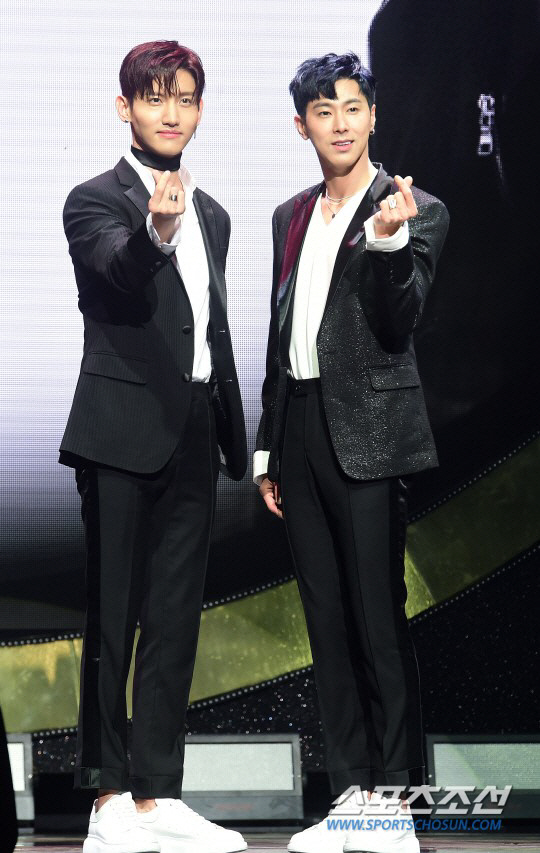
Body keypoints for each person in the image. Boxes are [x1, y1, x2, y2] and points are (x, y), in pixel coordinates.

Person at [254, 52, 449, 853]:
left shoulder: (414, 207)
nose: (339, 123)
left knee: (376, 618)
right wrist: (267, 446)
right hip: (299, 429)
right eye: (323, 110)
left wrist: (390, 244)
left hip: (370, 433)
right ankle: (350, 796)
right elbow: (282, 330)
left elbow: (400, 323)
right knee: (325, 622)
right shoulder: (290, 214)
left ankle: (393, 800)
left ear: (374, 114)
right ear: (301, 124)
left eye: (352, 107)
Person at [61, 40, 247, 853]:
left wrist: (240, 432)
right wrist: (156, 232)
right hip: (119, 430)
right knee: (113, 618)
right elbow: (116, 268)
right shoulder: (93, 200)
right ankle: (108, 797)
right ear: (125, 107)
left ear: (199, 109)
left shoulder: (215, 213)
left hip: (195, 427)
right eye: (154, 96)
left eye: (185, 98)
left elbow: (209, 328)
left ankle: (157, 792)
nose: (171, 112)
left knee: (175, 620)